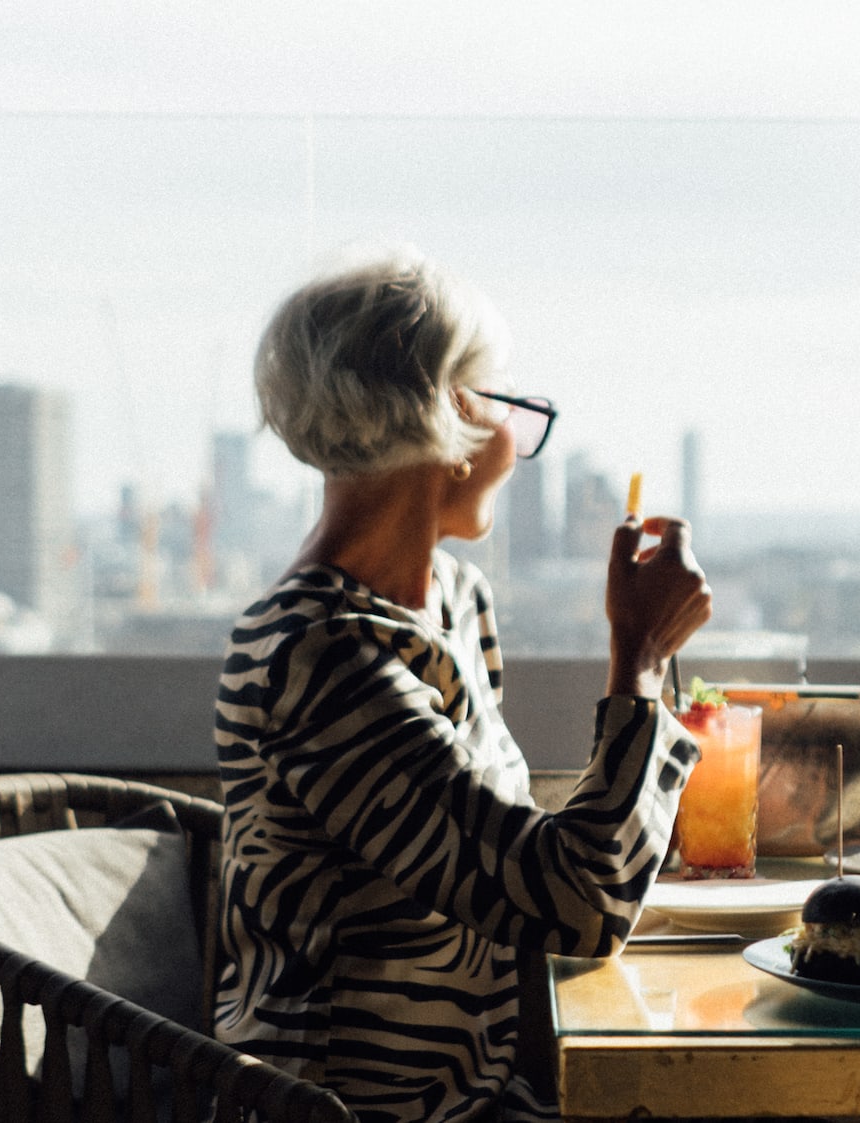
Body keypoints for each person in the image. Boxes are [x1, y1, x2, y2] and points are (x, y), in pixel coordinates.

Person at [213, 248, 713, 1122]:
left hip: (478, 1094)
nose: (518, 442)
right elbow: (569, 901)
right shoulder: (316, 656)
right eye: (508, 401)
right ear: (445, 413)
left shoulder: (452, 600)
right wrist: (638, 659)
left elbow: (501, 864)